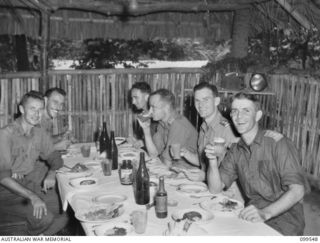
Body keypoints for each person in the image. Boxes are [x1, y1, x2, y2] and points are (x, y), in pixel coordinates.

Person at [206, 92, 307, 235]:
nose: (239, 117)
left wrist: (265, 213)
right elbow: (215, 189)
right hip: (251, 218)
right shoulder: (236, 150)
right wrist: (212, 161)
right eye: (235, 111)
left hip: (285, 223)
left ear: (258, 115)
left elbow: (298, 191)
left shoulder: (278, 144)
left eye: (246, 111)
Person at [0, 91, 66, 235]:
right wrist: (33, 197)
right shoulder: (6, 134)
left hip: (25, 183)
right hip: (6, 190)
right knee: (45, 218)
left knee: (64, 214)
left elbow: (55, 157)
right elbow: (3, 177)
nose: (37, 114)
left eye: (40, 109)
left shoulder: (38, 132)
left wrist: (52, 172)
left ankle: (30, 234)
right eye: (32, 109)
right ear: (22, 109)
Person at [138, 88, 198, 168]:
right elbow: (154, 153)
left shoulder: (178, 125)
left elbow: (167, 163)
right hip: (174, 169)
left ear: (167, 107)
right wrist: (146, 130)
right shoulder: (162, 123)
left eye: (153, 107)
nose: (150, 111)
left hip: (188, 174)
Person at [128, 82, 156, 148]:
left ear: (147, 97)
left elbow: (159, 143)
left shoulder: (156, 116)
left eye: (136, 97)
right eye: (132, 98)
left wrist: (142, 143)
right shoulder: (144, 114)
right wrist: (141, 142)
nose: (133, 102)